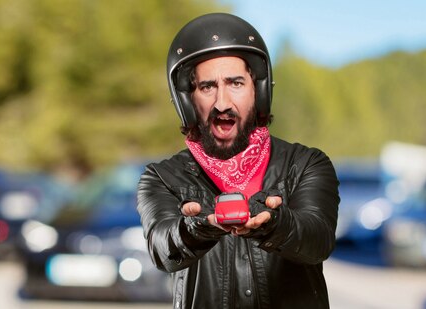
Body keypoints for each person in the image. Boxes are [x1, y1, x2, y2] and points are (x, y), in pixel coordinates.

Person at [137, 13, 340, 308]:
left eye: (235, 83)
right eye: (207, 86)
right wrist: (197, 228)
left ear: (258, 91)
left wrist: (272, 223)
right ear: (188, 100)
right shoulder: (162, 177)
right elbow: (161, 248)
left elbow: (317, 240)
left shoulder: (306, 164)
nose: (222, 103)